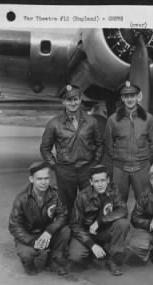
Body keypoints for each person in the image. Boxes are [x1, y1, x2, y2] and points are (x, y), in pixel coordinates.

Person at [40, 84, 105, 215]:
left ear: (80, 100)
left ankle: (88, 231)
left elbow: (100, 144)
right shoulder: (54, 123)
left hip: (87, 169)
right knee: (66, 206)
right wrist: (55, 166)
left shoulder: (91, 121)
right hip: (65, 171)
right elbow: (45, 148)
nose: (73, 103)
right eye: (69, 100)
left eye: (75, 99)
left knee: (90, 204)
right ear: (63, 101)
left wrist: (94, 163)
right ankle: (69, 232)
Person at [9, 161, 70, 276]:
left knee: (65, 230)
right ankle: (29, 264)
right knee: (27, 254)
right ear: (31, 179)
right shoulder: (21, 199)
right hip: (29, 235)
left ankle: (53, 261)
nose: (43, 182)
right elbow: (14, 226)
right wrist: (32, 241)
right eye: (39, 179)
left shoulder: (55, 195)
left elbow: (63, 215)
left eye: (46, 178)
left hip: (46, 232)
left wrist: (49, 231)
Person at [68, 165, 130, 276]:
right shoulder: (82, 196)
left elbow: (123, 211)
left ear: (108, 180)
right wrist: (91, 244)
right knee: (75, 256)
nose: (100, 184)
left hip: (105, 231)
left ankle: (112, 259)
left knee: (123, 224)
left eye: (103, 180)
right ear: (91, 182)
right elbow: (75, 225)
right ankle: (93, 253)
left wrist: (99, 221)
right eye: (96, 181)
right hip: (87, 234)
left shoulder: (114, 190)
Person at [104, 80, 153, 202]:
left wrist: (143, 157)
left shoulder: (148, 119)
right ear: (122, 98)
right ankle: (120, 221)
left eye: (132, 96)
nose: (130, 99)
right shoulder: (113, 120)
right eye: (126, 96)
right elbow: (108, 143)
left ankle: (143, 221)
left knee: (145, 202)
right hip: (120, 168)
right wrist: (119, 158)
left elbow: (152, 143)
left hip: (141, 167)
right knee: (118, 202)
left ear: (137, 97)